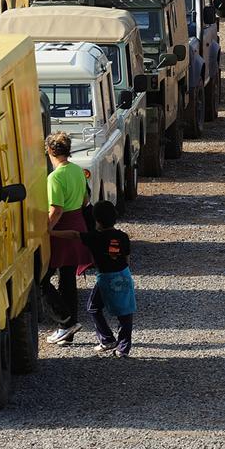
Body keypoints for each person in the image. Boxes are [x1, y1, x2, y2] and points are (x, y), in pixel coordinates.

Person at [53, 200, 136, 357]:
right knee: (125, 312)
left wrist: (51, 232)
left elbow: (74, 235)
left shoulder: (94, 237)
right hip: (124, 275)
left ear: (96, 221)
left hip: (106, 278)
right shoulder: (123, 236)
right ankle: (123, 348)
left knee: (93, 307)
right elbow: (127, 259)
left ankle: (106, 339)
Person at [42, 131, 92, 346]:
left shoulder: (55, 176)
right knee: (68, 278)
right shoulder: (77, 170)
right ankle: (67, 331)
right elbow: (85, 200)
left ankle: (65, 321)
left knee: (42, 280)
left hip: (61, 232)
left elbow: (57, 209)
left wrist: (46, 230)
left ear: (50, 151)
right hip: (78, 227)